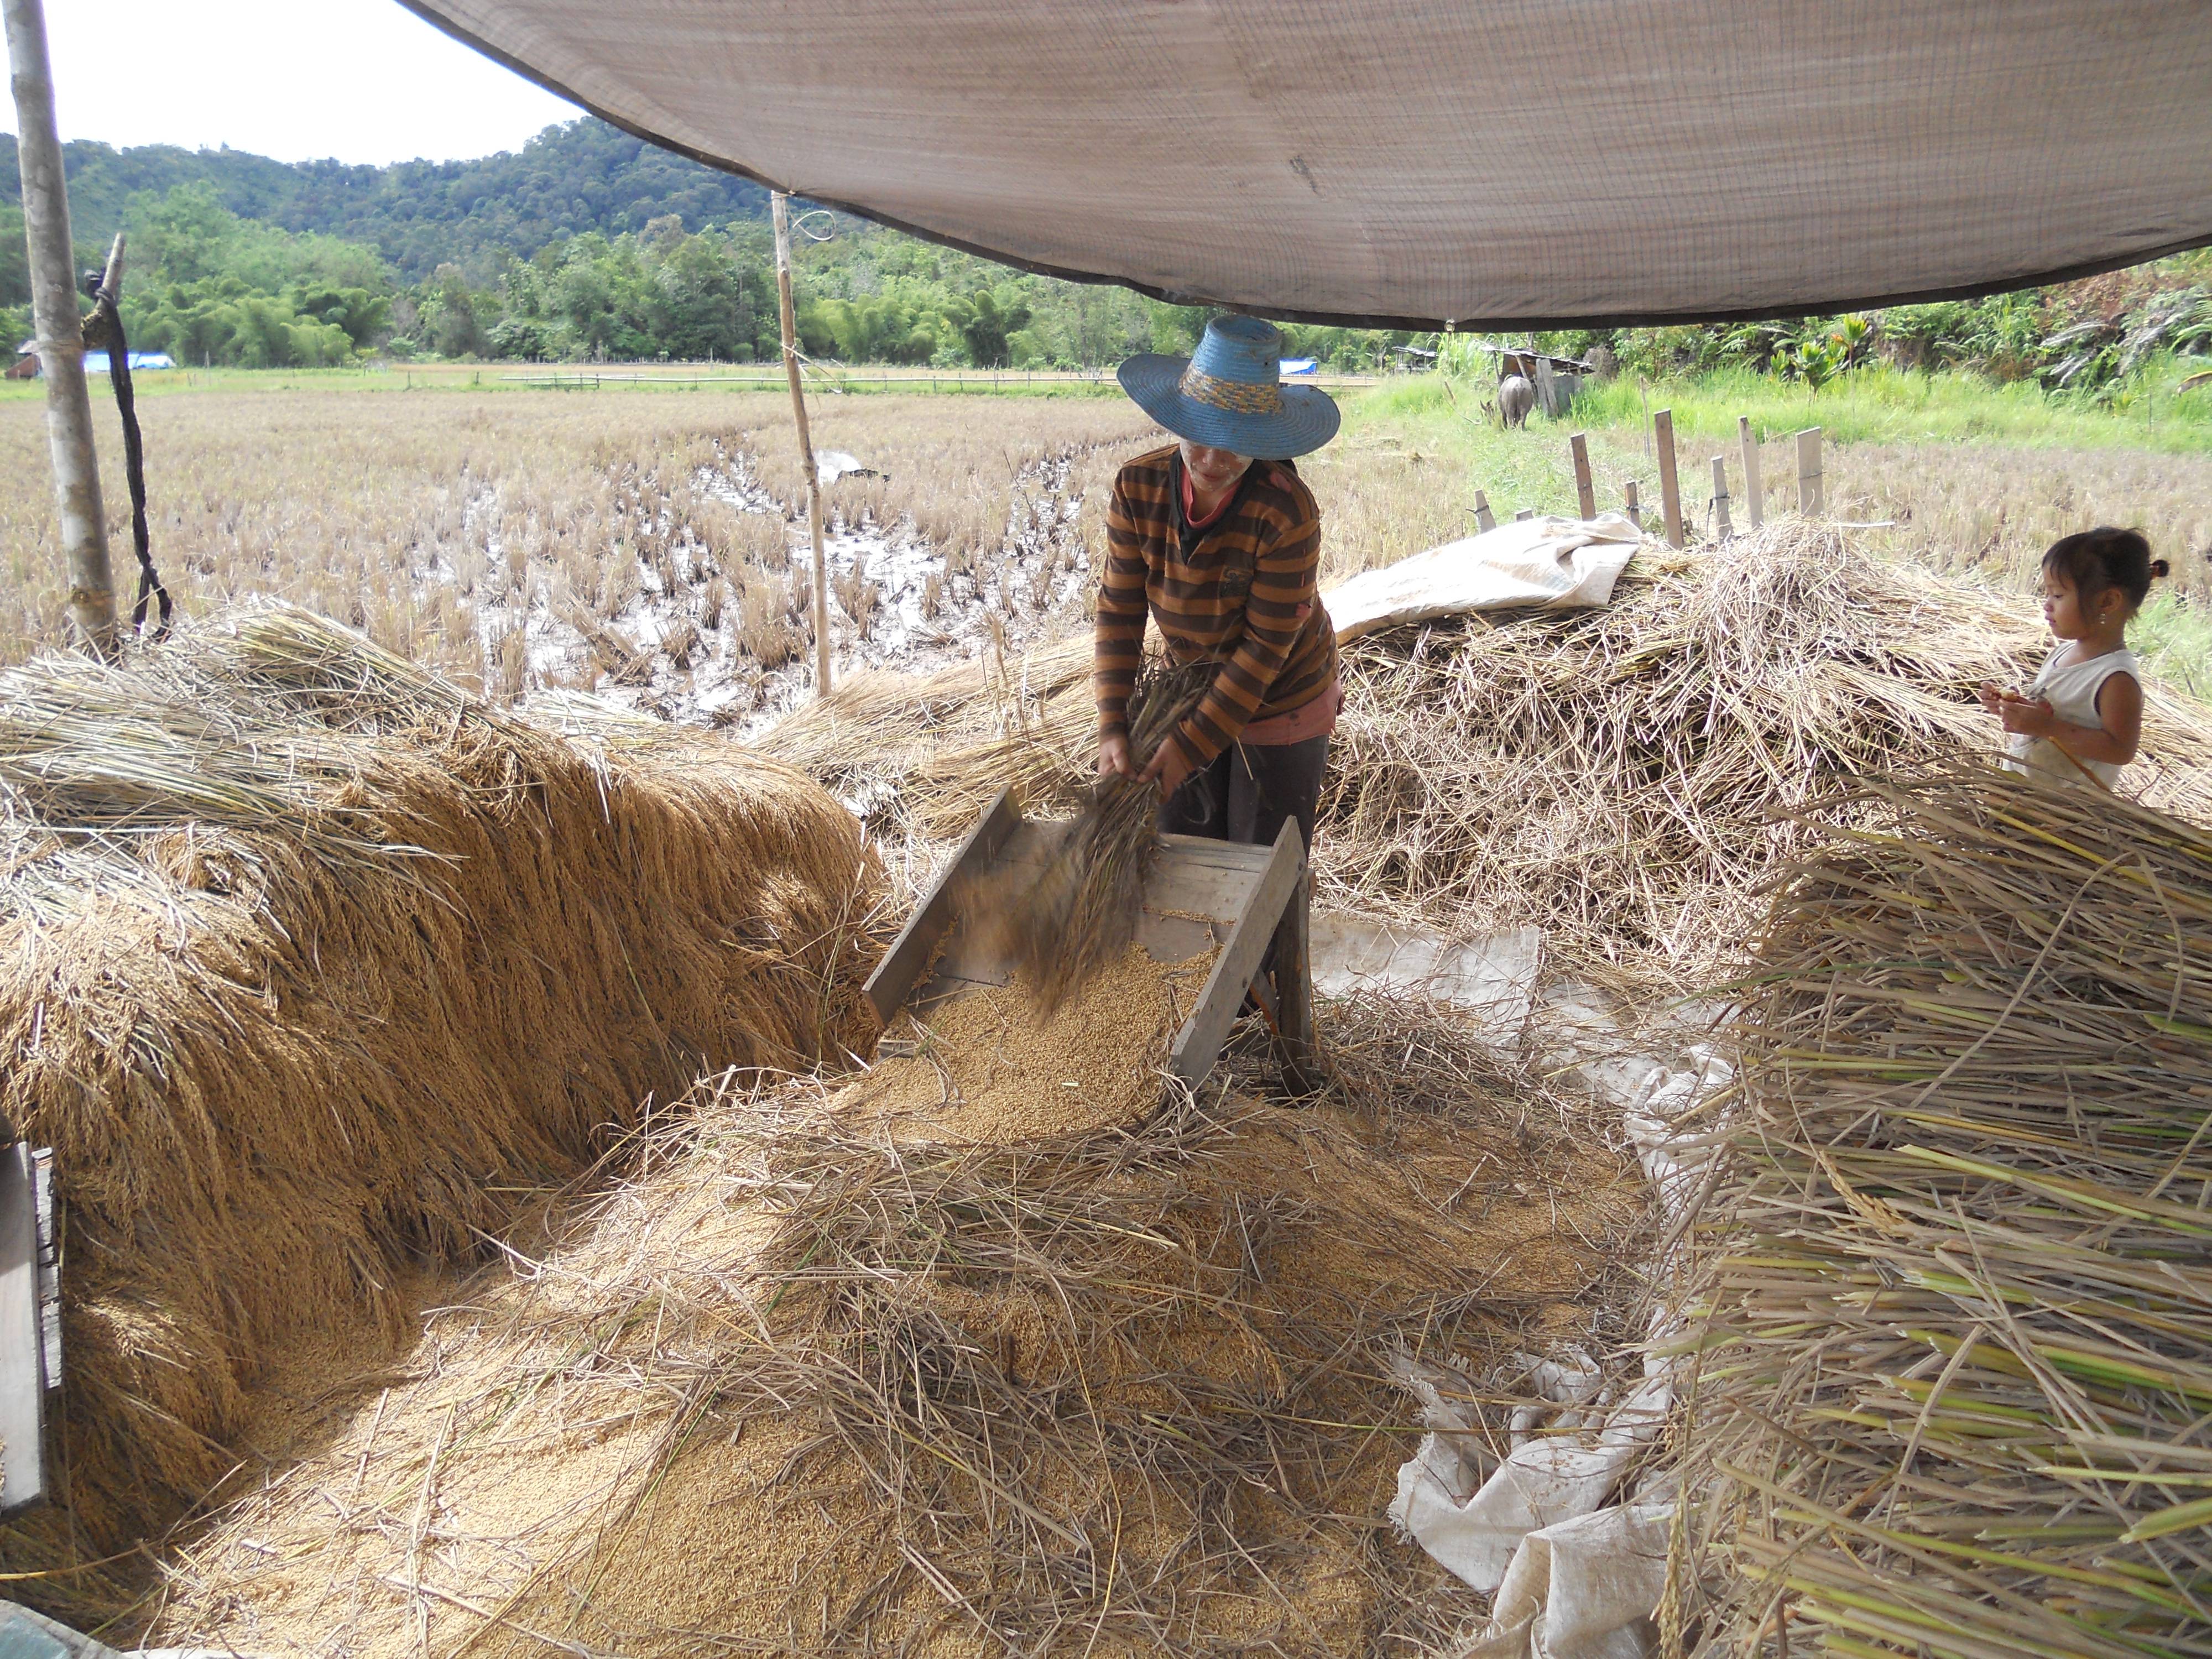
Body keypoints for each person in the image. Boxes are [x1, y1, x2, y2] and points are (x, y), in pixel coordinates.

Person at [1095, 315, 1342, 854]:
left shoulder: (1284, 511)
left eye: (1235, 443)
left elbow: (1264, 648)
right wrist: (1112, 723)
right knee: (1181, 855)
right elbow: (1119, 608)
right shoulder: (1137, 487)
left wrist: (1187, 746)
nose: (1212, 460)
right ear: (1177, 421)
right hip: (1189, 685)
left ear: (1265, 438)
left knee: (1262, 868)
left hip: (1283, 697)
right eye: (1200, 437)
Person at [1980, 526, 2169, 789]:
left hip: (2063, 816)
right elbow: (2055, 715)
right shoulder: (2063, 653)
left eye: (2058, 595)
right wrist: (2016, 708)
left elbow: (2120, 750)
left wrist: (2048, 727)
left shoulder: (2115, 679)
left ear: (2107, 602)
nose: (2047, 604)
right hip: (2024, 797)